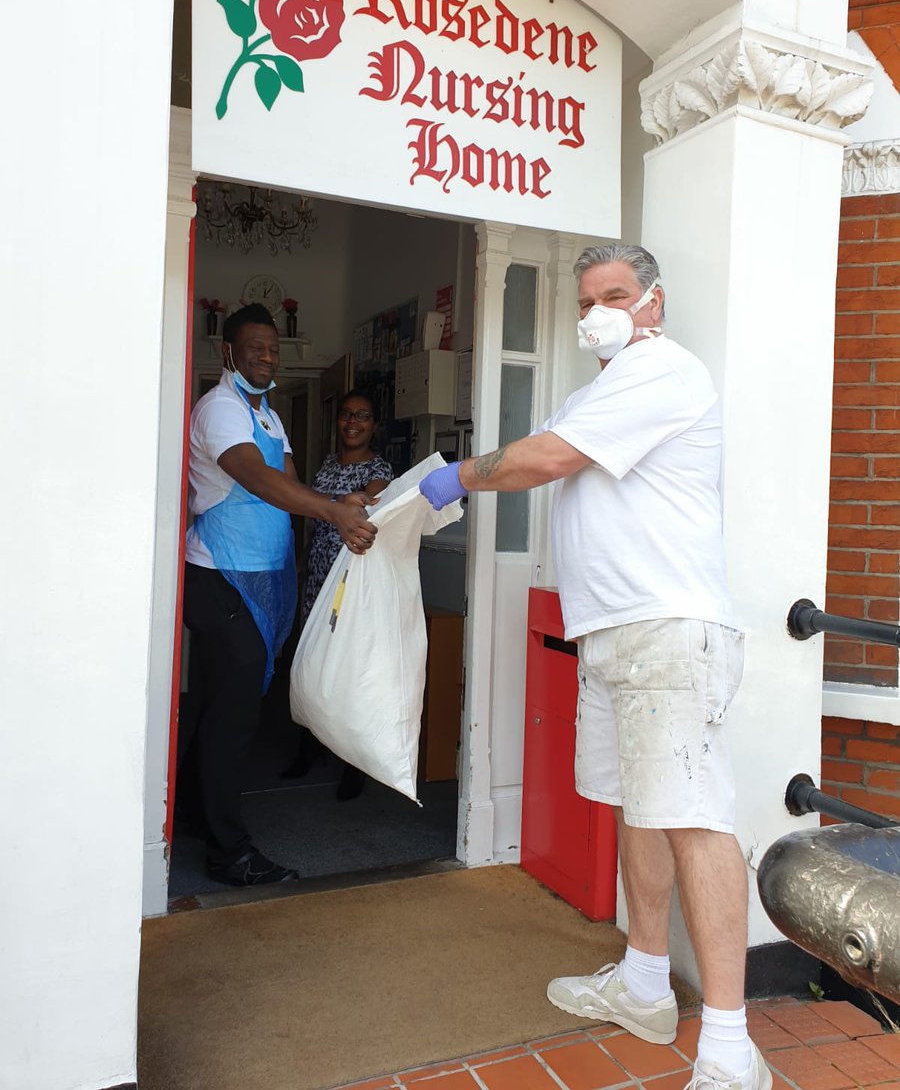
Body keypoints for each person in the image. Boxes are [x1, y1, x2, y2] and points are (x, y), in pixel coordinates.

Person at [419, 245, 769, 1090]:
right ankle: (646, 984)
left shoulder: (665, 371)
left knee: (692, 815)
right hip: (614, 631)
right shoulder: (594, 392)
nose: (596, 313)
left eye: (614, 295)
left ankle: (731, 1047)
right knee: (641, 809)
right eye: (586, 302)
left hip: (667, 628)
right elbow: (556, 450)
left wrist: (449, 478)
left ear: (654, 301)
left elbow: (545, 460)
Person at [178, 304, 378, 887]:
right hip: (222, 577)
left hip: (259, 576)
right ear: (229, 354)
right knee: (231, 721)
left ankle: (193, 812)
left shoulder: (267, 416)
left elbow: (290, 484)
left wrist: (348, 503)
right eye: (255, 348)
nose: (267, 357)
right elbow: (259, 479)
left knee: (222, 710)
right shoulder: (220, 410)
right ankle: (227, 852)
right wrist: (333, 512)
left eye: (273, 349)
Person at [284, 389, 393, 798]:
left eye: (362, 416)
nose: (352, 422)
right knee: (312, 660)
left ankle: (353, 763)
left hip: (351, 583)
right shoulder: (328, 465)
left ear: (373, 425)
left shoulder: (380, 469)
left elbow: (366, 508)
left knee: (348, 668)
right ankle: (309, 746)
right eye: (346, 414)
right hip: (316, 578)